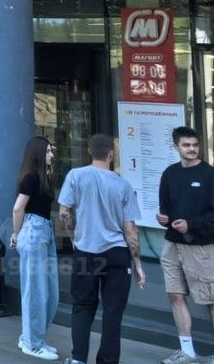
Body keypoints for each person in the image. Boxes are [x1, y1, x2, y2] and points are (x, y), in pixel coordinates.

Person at [58, 133, 145, 364]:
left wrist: (73, 237)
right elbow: (130, 230)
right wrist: (137, 264)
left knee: (82, 306)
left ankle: (78, 359)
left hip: (86, 250)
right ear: (111, 154)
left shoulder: (75, 176)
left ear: (89, 152)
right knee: (113, 311)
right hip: (117, 254)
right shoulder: (123, 185)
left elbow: (64, 212)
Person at [155, 125, 214, 364]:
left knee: (212, 299)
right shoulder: (170, 174)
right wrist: (163, 219)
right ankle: (187, 351)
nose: (192, 149)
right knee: (175, 295)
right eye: (186, 145)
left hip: (202, 246)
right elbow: (166, 209)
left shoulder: (210, 175)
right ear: (176, 146)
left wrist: (191, 225)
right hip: (172, 244)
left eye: (195, 145)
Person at [11, 135, 59, 360]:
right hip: (34, 231)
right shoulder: (31, 177)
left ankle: (31, 337)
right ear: (38, 153)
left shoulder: (42, 177)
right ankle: (32, 343)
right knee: (35, 291)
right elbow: (18, 208)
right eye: (48, 151)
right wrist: (17, 233)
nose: (51, 155)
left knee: (49, 292)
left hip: (44, 231)